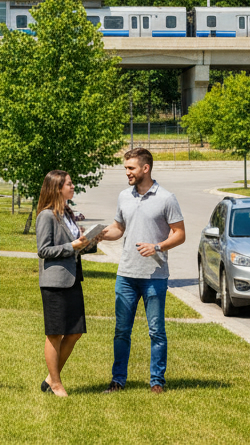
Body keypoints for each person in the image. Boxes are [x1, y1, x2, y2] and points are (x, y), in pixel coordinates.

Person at [98, 147, 185, 394]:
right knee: (121, 331)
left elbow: (180, 234)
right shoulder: (124, 196)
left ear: (145, 168)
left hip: (154, 276)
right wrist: (101, 235)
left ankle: (157, 382)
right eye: (126, 168)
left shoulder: (167, 198)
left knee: (156, 331)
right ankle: (117, 381)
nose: (127, 172)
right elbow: (119, 228)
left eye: (131, 168)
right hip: (126, 274)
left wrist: (157, 246)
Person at [35, 169, 100, 397]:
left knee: (74, 332)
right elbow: (43, 250)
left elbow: (76, 246)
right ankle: (56, 384)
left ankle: (50, 378)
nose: (73, 187)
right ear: (57, 188)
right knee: (55, 334)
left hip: (72, 279)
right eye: (69, 184)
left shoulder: (68, 214)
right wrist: (72, 246)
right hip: (54, 282)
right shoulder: (46, 215)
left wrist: (89, 241)